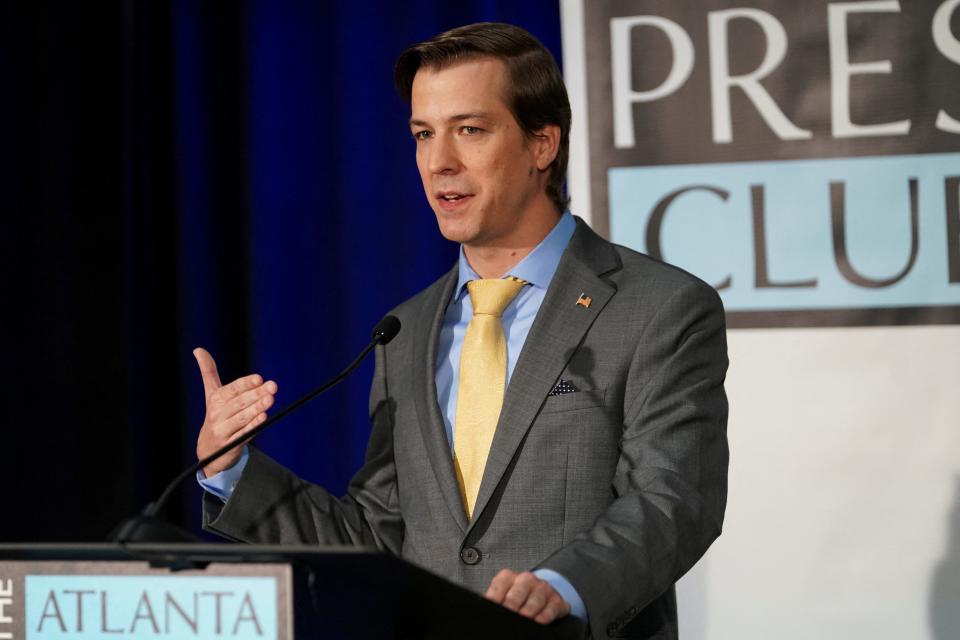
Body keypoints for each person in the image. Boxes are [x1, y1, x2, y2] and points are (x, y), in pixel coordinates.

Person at [194, 22, 728, 640]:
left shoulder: (659, 306)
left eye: (469, 130)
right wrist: (231, 468)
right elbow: (380, 537)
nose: (438, 161)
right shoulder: (408, 329)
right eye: (424, 134)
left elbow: (674, 500)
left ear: (542, 145)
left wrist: (563, 585)